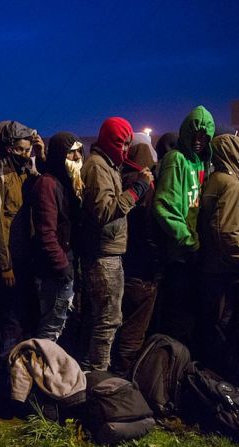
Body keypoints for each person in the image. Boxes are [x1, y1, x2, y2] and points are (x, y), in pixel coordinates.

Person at [81, 117, 153, 371]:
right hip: (103, 255)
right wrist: (138, 189)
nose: (125, 150)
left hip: (109, 251)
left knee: (106, 319)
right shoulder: (98, 167)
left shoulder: (109, 165)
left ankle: (94, 373)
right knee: (107, 320)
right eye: (121, 144)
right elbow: (104, 211)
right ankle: (96, 377)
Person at [152, 106, 215, 345]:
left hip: (193, 253)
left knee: (189, 318)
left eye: (205, 137)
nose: (199, 141)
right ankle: (168, 373)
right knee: (175, 319)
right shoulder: (176, 159)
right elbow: (164, 207)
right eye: (196, 135)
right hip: (178, 254)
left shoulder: (200, 164)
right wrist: (189, 241)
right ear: (186, 132)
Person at [0, 121, 45, 351]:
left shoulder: (27, 171)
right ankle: (7, 370)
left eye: (27, 149)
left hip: (26, 258)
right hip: (9, 260)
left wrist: (41, 155)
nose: (24, 154)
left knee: (25, 316)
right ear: (8, 147)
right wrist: (4, 264)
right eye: (19, 149)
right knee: (9, 319)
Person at [197, 134, 239, 372]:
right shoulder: (232, 185)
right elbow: (228, 233)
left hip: (208, 267)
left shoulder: (213, 180)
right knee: (224, 330)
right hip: (225, 272)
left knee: (210, 329)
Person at [111, 141, 160, 375]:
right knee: (135, 328)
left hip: (122, 261)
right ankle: (124, 379)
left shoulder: (120, 179)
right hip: (142, 267)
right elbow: (149, 226)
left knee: (118, 321)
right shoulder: (145, 185)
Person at [29, 132, 83, 342]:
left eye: (79, 151)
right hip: (54, 270)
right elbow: (46, 232)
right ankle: (40, 371)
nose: (77, 157)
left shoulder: (66, 181)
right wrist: (63, 267)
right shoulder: (48, 185)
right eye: (71, 153)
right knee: (51, 329)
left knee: (60, 326)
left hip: (63, 263)